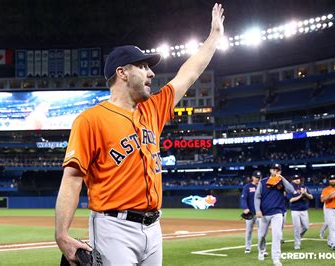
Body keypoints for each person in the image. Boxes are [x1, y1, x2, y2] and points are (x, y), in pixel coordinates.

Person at [55, 4, 225, 265]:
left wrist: (213, 37)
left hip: (154, 227)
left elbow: (188, 74)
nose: (151, 73)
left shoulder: (152, 109)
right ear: (122, 73)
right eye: (143, 66)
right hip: (114, 227)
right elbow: (72, 179)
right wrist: (62, 235)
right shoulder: (90, 120)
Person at [255, 164, 294, 266]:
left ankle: (276, 258)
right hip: (264, 213)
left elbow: (291, 190)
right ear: (270, 170)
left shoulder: (282, 182)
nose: (276, 171)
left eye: (278, 170)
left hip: (277, 212)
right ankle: (261, 251)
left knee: (277, 235)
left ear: (280, 172)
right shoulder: (263, 182)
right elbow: (257, 197)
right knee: (262, 236)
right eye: (274, 169)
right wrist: (257, 209)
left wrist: (282, 178)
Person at [287, 174, 313, 250]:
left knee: (306, 227)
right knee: (297, 228)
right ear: (292, 180)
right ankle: (297, 244)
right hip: (295, 210)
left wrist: (305, 193)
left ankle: (298, 236)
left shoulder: (304, 187)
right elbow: (291, 200)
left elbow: (311, 197)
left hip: (304, 210)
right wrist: (301, 195)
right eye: (295, 179)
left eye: (298, 178)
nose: (297, 180)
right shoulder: (290, 188)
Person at [240, 170, 262, 254]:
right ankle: (247, 247)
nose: (258, 179)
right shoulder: (247, 187)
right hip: (250, 213)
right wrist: (245, 208)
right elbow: (243, 198)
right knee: (249, 231)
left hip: (260, 213)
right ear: (252, 177)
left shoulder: (262, 186)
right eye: (256, 177)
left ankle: (261, 249)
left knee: (261, 231)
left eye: (259, 178)